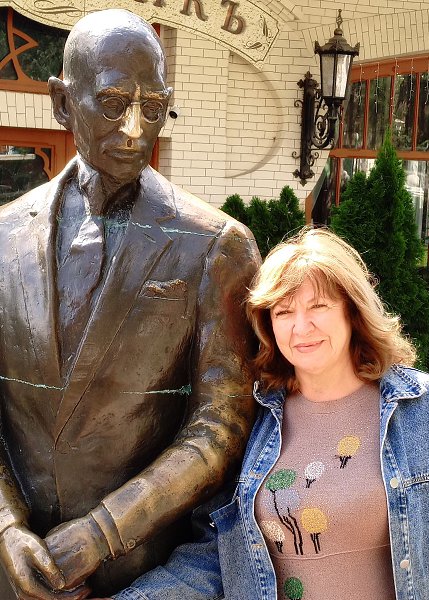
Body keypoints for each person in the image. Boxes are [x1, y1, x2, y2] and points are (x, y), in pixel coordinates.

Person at [0, 9, 260, 600]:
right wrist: (7, 527)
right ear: (62, 103)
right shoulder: (3, 236)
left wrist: (103, 532)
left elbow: (221, 425)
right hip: (12, 571)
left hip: (143, 576)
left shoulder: (216, 246)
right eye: (114, 103)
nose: (136, 130)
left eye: (155, 107)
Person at [106, 227, 429, 600]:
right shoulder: (254, 418)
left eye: (318, 306)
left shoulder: (418, 403)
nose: (301, 327)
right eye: (284, 312)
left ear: (352, 310)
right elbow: (218, 554)